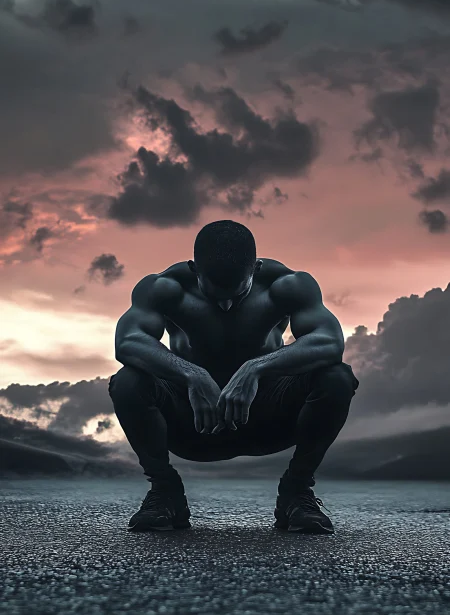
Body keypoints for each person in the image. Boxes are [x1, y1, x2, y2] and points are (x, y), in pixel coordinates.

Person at [109, 219, 359, 534]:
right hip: (195, 424)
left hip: (266, 420)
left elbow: (330, 342)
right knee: (128, 381)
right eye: (214, 295)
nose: (225, 305)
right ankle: (165, 492)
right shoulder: (164, 289)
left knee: (337, 377)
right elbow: (127, 342)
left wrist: (256, 368)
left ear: (255, 268)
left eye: (237, 294)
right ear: (193, 269)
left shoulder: (288, 286)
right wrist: (192, 375)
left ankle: (296, 493)